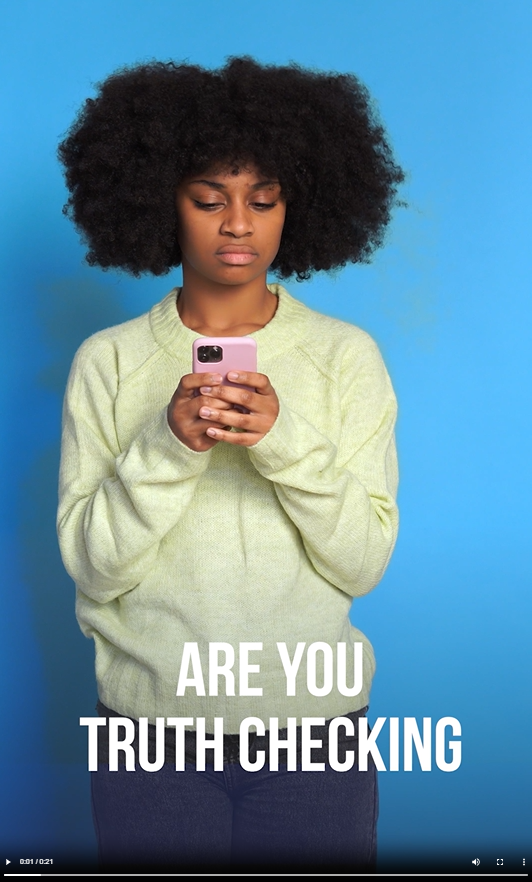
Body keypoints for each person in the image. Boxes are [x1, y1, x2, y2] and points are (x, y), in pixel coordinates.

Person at [57, 56, 404, 872]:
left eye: (264, 200)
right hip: (149, 738)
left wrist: (282, 441)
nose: (237, 224)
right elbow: (92, 570)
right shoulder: (108, 362)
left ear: (299, 208)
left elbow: (363, 563)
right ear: (160, 204)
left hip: (315, 736)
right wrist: (169, 446)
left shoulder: (345, 359)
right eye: (209, 199)